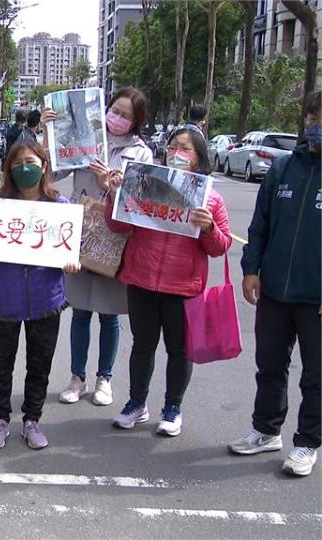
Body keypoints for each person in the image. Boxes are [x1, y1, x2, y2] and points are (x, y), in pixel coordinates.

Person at [105, 126, 232, 436]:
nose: (177, 153)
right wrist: (115, 194)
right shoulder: (146, 184)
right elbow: (116, 226)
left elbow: (220, 246)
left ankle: (172, 409)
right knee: (142, 345)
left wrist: (208, 228)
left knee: (179, 350)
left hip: (183, 286)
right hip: (142, 279)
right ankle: (136, 404)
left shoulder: (211, 199)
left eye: (186, 149)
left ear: (199, 158)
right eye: (174, 147)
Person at [42, 87, 154, 406]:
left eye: (125, 115)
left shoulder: (141, 152)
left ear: (136, 122)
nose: (116, 118)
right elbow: (50, 172)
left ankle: (105, 378)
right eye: (114, 111)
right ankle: (77, 377)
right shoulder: (85, 138)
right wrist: (50, 134)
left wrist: (111, 187)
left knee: (109, 314)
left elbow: (141, 201)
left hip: (116, 234)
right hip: (81, 228)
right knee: (80, 309)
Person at [228, 91, 321, 476]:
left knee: (316, 375)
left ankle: (307, 442)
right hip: (274, 291)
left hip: (315, 297)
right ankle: (266, 430)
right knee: (270, 365)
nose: (317, 124)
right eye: (314, 116)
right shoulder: (283, 169)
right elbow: (260, 225)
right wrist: (251, 269)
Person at [0, 139, 82, 450]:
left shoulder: (61, 208)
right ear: (8, 169)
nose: (25, 169)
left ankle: (32, 420)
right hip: (4, 299)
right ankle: (0, 420)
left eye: (31, 162)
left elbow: (75, 247)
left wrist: (73, 263)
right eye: (18, 164)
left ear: (44, 166)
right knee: (1, 364)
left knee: (39, 364)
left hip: (46, 299)